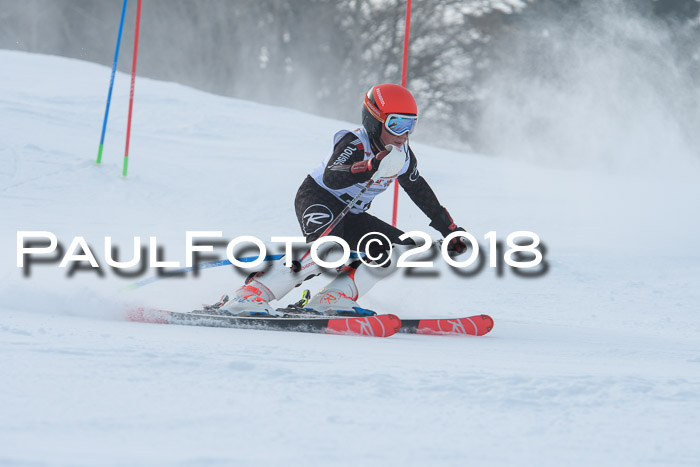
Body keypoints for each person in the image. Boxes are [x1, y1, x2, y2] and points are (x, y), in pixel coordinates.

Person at [219, 84, 468, 316]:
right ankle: (249, 296)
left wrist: (450, 230)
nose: (403, 134)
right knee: (328, 250)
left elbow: (418, 190)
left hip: (353, 213)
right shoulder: (355, 141)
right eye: (396, 124)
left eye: (410, 125)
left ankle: (332, 298)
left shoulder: (403, 155)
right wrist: (370, 165)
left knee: (396, 248)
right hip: (319, 197)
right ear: (374, 121)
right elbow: (332, 176)